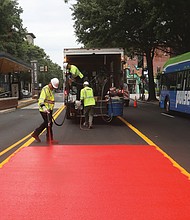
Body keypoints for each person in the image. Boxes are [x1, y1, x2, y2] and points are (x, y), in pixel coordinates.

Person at [31, 78, 59, 144]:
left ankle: (36, 133)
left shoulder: (50, 90)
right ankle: (49, 139)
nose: (53, 88)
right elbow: (41, 100)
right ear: (50, 84)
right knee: (49, 124)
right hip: (44, 110)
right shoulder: (45, 89)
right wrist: (44, 108)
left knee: (47, 123)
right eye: (53, 87)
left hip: (49, 109)